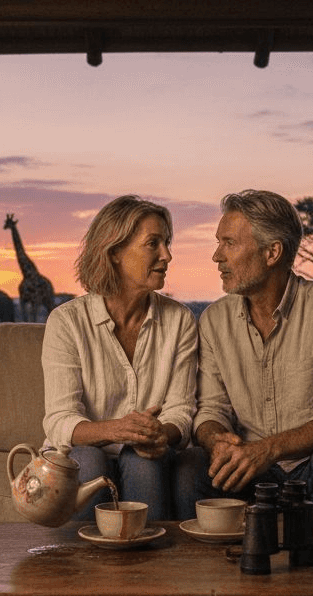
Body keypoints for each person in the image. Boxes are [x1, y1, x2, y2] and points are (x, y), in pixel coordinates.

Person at [176, 189, 313, 514]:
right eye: (218, 242)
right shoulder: (214, 320)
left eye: (229, 243)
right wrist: (215, 439)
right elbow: (211, 407)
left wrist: (268, 449)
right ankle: (204, 564)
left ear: (272, 253)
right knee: (189, 465)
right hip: (248, 469)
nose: (217, 256)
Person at [41, 195, 198, 521]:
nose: (167, 256)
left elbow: (181, 412)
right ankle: (81, 568)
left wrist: (160, 435)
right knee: (89, 459)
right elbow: (60, 421)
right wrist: (119, 430)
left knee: (142, 460)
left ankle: (149, 568)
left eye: (166, 243)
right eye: (153, 244)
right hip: (83, 452)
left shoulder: (180, 320)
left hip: (148, 454)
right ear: (114, 253)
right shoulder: (67, 321)